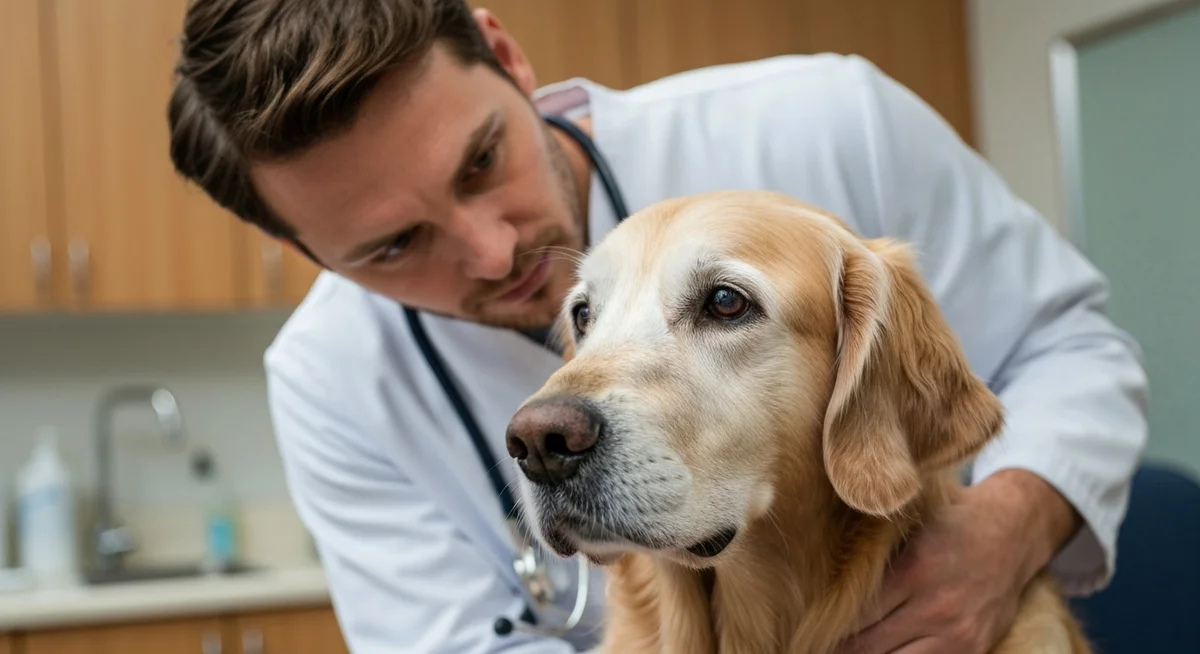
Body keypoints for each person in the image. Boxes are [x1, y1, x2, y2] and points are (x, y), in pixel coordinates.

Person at [166, 2, 1149, 652]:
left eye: (481, 163)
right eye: (393, 246)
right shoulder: (327, 383)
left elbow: (1071, 348)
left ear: (509, 62)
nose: (491, 251)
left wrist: (1003, 535)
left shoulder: (825, 119)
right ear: (314, 257)